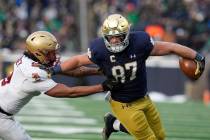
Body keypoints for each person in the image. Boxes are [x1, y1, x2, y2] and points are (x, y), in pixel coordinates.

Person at [44, 14, 205, 140]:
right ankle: (114, 122)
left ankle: (112, 124)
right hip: (122, 103)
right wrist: (55, 69)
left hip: (144, 97)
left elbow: (170, 47)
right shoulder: (99, 48)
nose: (114, 41)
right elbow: (78, 60)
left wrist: (197, 56)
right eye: (111, 37)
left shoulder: (140, 42)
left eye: (119, 36)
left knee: (161, 136)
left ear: (127, 33)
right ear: (105, 36)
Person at [0, 31, 118, 140]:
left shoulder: (33, 59)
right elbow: (69, 92)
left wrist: (102, 71)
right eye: (50, 52)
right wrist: (102, 87)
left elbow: (73, 71)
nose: (54, 55)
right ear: (38, 52)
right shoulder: (33, 72)